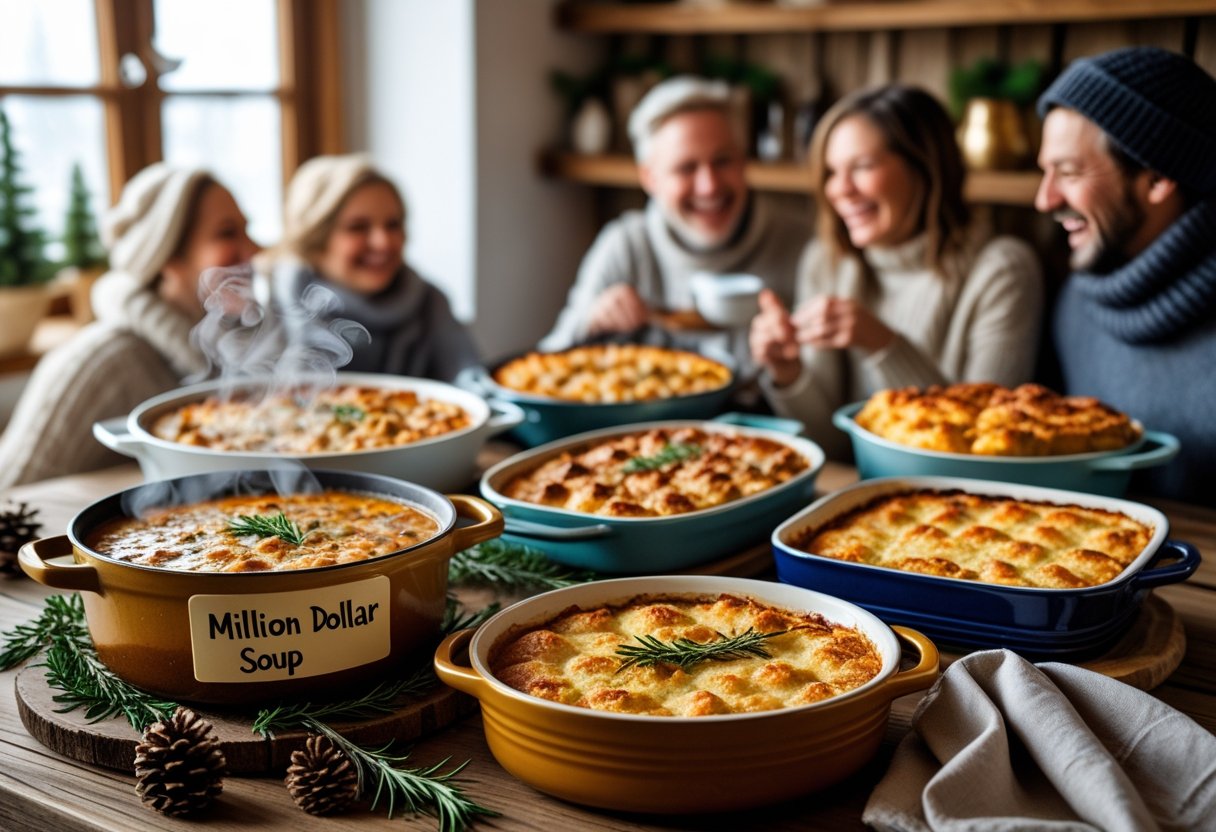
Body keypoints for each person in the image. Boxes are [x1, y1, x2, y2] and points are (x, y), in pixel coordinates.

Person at [750, 84, 1044, 460]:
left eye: (862, 167)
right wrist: (788, 373)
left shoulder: (1002, 269)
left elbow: (979, 443)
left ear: (925, 167)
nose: (839, 190)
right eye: (830, 172)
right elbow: (832, 446)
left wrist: (883, 344)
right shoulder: (826, 260)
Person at [0, 164, 258, 488]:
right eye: (227, 232)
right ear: (166, 256)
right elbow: (10, 495)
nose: (254, 251)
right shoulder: (105, 362)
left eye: (247, 230)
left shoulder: (232, 348)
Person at [1035, 46, 1216, 505]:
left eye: (1069, 172)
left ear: (1157, 179)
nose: (1045, 199)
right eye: (1045, 172)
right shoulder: (1076, 300)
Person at [539, 75, 809, 365]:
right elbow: (545, 364)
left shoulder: (803, 248)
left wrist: (787, 371)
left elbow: (827, 400)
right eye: (686, 168)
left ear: (743, 161)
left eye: (723, 161)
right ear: (649, 178)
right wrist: (590, 324)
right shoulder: (626, 245)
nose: (709, 186)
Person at [264, 153, 480, 382]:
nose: (383, 242)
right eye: (358, 227)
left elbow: (473, 381)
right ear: (315, 240)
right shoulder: (268, 305)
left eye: (393, 224)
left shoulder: (430, 302)